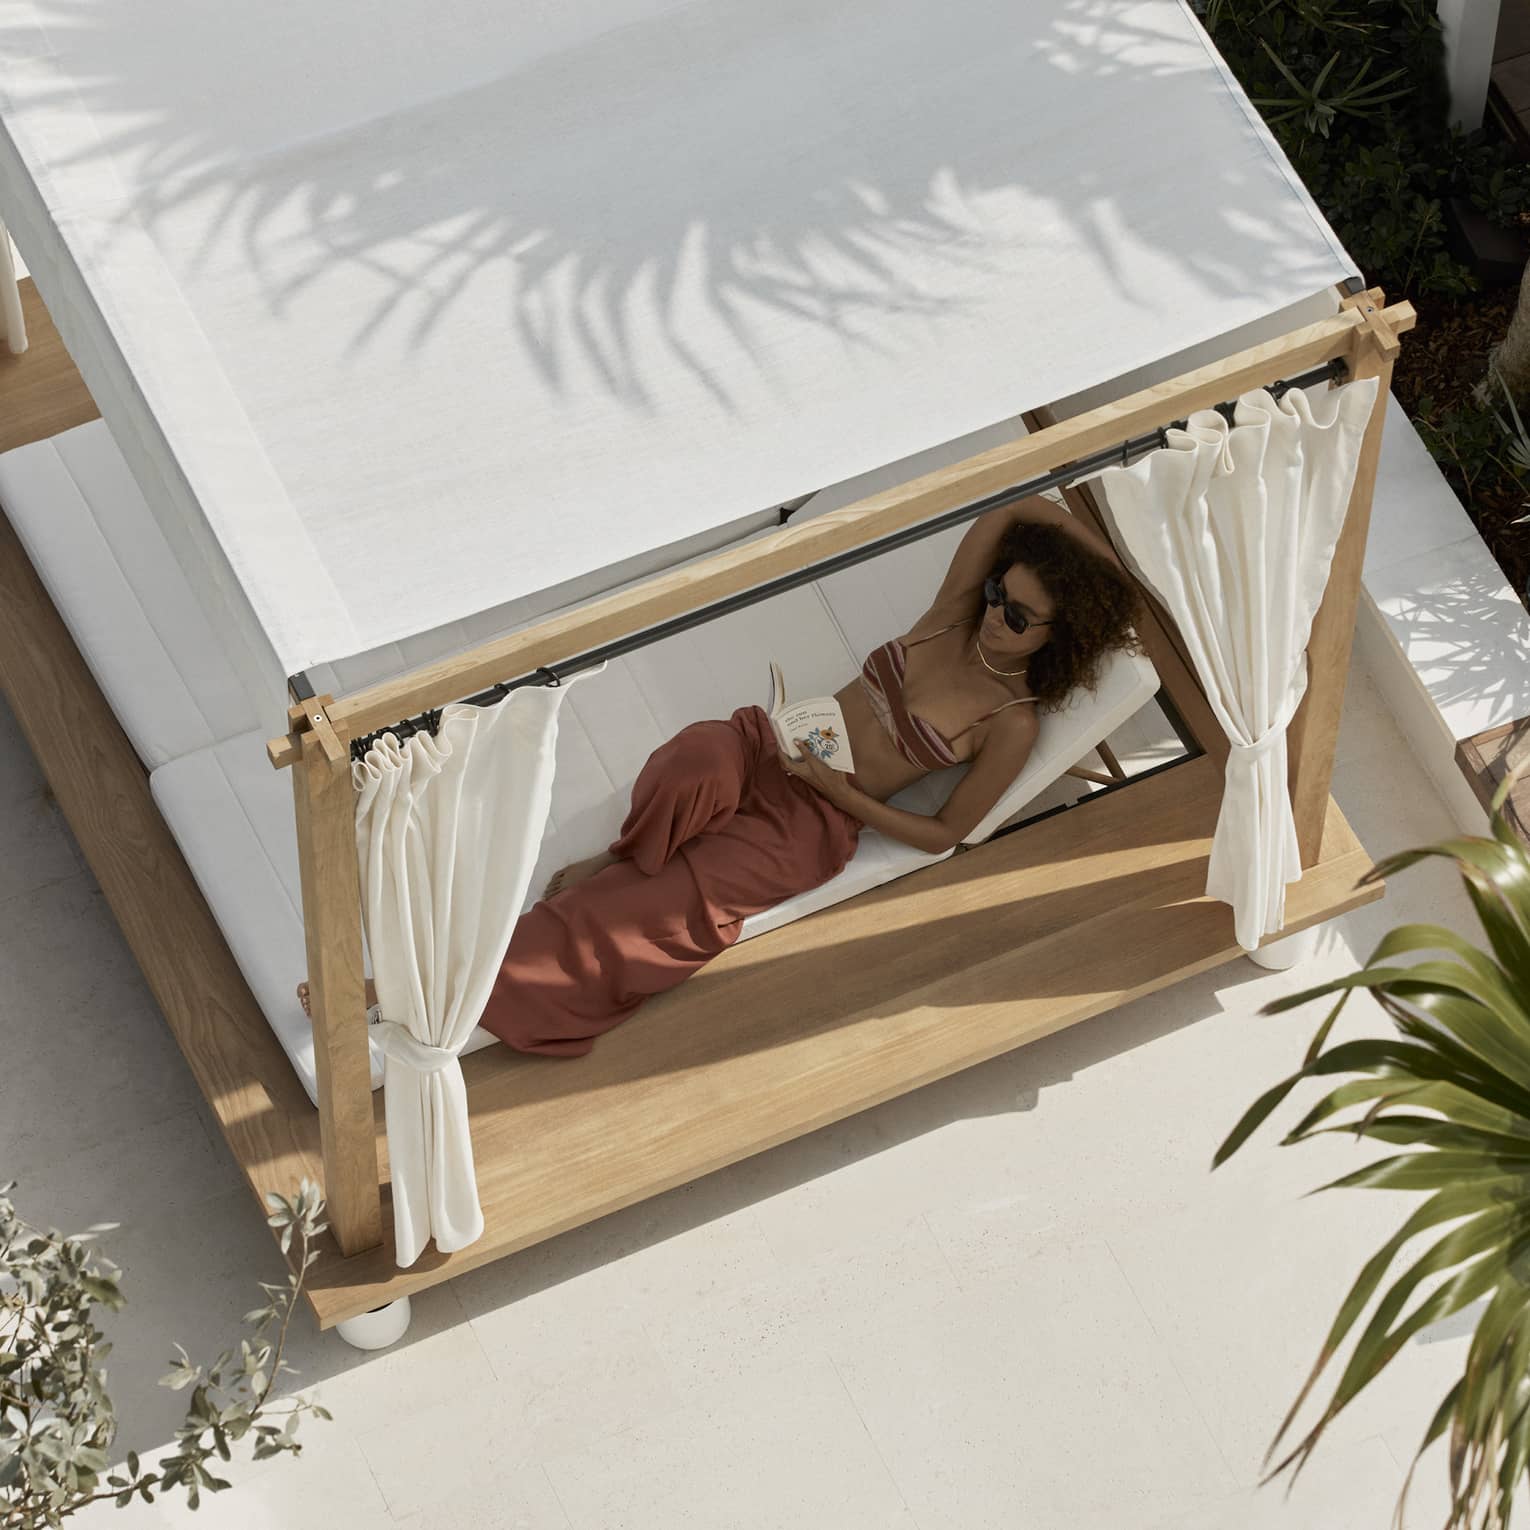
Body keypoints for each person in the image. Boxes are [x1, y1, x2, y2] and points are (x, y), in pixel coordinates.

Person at [298, 494, 1145, 1056]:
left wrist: (838, 793)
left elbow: (946, 834)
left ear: (1053, 639)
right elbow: (1015, 509)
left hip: (813, 823)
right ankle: (624, 858)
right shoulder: (954, 618)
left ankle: (412, 989)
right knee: (690, 762)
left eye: (1021, 615)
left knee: (648, 912)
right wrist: (1091, 562)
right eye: (1002, 592)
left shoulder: (1012, 721)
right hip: (770, 744)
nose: (998, 613)